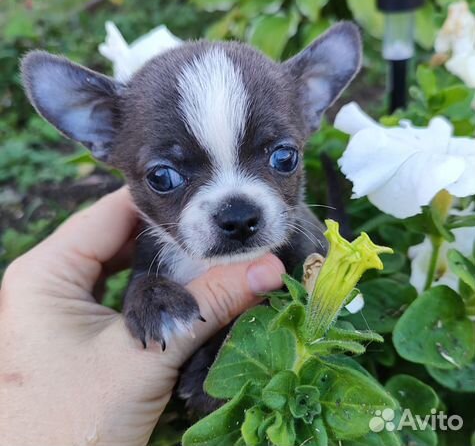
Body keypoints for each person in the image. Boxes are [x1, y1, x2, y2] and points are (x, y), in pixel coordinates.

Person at [0, 187, 285, 446]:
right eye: (165, 178)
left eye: (282, 160)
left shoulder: (294, 237)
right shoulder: (151, 248)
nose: (237, 215)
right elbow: (144, 286)